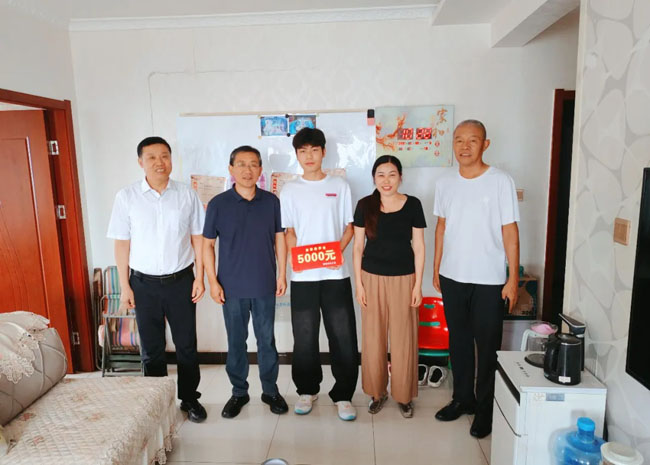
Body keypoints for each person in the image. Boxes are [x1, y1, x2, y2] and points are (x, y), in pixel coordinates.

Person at [107, 136, 207, 423]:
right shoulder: (127, 197)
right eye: (151, 157)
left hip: (181, 281)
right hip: (143, 284)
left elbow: (198, 239)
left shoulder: (186, 194)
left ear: (171, 160)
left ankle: (190, 398)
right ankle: (157, 404)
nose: (159, 162)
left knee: (186, 345)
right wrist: (125, 286)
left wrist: (200, 277)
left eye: (164, 156)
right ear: (141, 162)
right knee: (151, 349)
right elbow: (122, 244)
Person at [432, 120, 520, 438]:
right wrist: (436, 268)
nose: (465, 146)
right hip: (452, 275)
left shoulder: (501, 181)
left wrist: (512, 278)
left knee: (487, 346)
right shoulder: (445, 183)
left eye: (473, 140)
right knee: (458, 341)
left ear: (485, 144)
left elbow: (510, 231)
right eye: (459, 140)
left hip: (489, 280)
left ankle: (485, 409)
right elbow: (442, 227)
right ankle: (462, 399)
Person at [203, 145, 289, 418]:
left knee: (267, 341)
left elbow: (280, 239)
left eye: (253, 164)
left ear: (260, 170)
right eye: (241, 164)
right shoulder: (218, 204)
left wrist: (282, 274)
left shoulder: (271, 202)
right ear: (231, 169)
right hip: (231, 288)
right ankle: (239, 393)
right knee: (236, 342)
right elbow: (207, 245)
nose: (247, 170)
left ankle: (270, 391)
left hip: (264, 284)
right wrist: (213, 281)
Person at [280, 127, 359, 421]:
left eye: (314, 150)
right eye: (303, 151)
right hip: (303, 278)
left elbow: (350, 227)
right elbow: (289, 232)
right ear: (297, 155)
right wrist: (296, 260)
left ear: (324, 152)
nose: (309, 156)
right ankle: (307, 390)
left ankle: (343, 395)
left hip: (335, 275)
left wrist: (335, 252)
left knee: (343, 335)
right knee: (304, 337)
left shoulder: (340, 185)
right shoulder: (289, 190)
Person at [352, 155, 426, 418]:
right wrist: (359, 284)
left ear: (400, 177)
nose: (386, 180)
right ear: (374, 178)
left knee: (404, 339)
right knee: (373, 339)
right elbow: (358, 247)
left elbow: (419, 246)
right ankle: (376, 393)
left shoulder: (413, 204)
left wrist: (418, 285)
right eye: (381, 174)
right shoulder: (365, 205)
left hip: (405, 279)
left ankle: (404, 396)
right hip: (371, 278)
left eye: (392, 174)